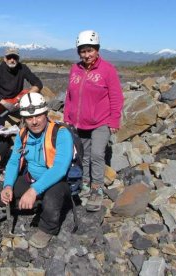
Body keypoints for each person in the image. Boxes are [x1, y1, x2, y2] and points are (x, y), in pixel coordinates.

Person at [0, 92, 73, 249]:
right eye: (29, 118)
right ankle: (37, 204)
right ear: (24, 119)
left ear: (45, 114)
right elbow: (14, 162)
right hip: (32, 179)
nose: (34, 122)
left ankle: (48, 227)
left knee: (51, 200)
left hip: (56, 181)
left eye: (38, 116)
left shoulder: (61, 133)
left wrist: (33, 191)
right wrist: (8, 185)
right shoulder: (23, 134)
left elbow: (60, 169)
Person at [63, 30, 124, 212]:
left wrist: (114, 120)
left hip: (101, 122)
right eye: (82, 51)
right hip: (79, 123)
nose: (86, 55)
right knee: (83, 156)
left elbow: (116, 96)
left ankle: (97, 189)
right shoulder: (75, 69)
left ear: (97, 50)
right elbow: (70, 95)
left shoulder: (107, 70)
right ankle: (86, 183)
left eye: (90, 50)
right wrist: (67, 116)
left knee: (97, 154)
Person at [0, 47, 43, 117]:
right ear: (5, 59)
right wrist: (4, 103)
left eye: (15, 57)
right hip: (2, 100)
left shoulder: (23, 68)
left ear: (18, 59)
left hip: (17, 99)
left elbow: (38, 83)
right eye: (9, 57)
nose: (12, 60)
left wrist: (25, 97)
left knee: (36, 93)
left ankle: (33, 117)